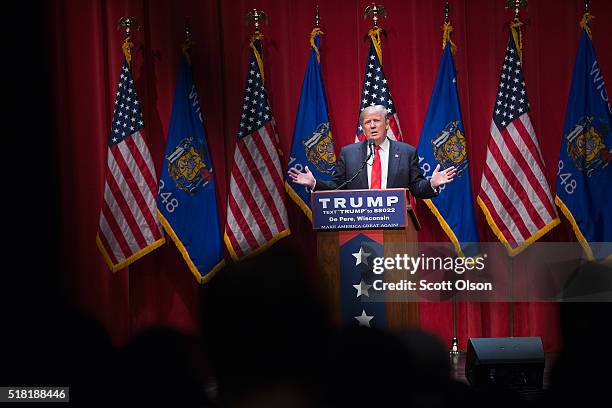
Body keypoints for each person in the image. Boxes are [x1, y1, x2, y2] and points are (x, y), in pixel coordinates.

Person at [288, 104, 456, 197]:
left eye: (377, 120)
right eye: (368, 122)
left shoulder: (407, 152)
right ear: (363, 128)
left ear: (387, 124)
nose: (373, 125)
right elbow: (337, 186)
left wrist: (431, 184)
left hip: (396, 224)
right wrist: (315, 183)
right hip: (358, 224)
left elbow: (416, 187)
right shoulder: (348, 153)